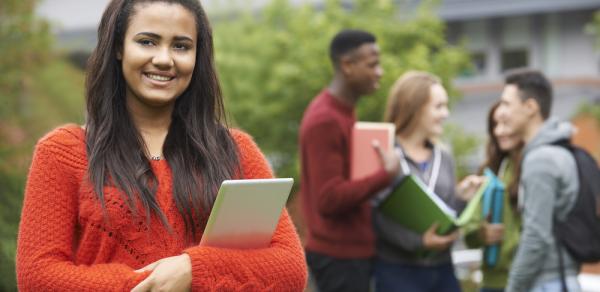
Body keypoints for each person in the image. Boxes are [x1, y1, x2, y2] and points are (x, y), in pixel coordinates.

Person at [16, 0, 307, 291]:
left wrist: (193, 268)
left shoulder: (235, 151)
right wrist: (156, 283)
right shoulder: (63, 152)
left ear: (197, 56)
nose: (165, 59)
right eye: (147, 42)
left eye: (181, 46)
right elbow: (38, 276)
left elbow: (290, 269)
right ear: (118, 47)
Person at [299, 29, 400, 292]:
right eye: (372, 64)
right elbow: (329, 198)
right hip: (339, 258)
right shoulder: (325, 119)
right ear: (347, 65)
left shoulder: (343, 112)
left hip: (352, 255)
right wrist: (384, 175)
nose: (380, 72)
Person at [372, 71, 482, 292]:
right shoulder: (384, 153)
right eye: (439, 106)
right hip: (398, 272)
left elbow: (446, 213)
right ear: (416, 107)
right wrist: (419, 242)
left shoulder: (445, 156)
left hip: (443, 271)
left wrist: (461, 198)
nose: (446, 113)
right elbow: (375, 217)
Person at [495, 69, 580, 291]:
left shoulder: (540, 160)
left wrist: (513, 287)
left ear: (530, 107)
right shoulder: (559, 150)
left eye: (506, 104)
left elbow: (536, 238)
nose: (500, 113)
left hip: (548, 283)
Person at [463, 102, 523, 292]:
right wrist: (481, 232)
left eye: (506, 123)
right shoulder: (490, 171)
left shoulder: (535, 166)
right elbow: (469, 233)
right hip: (491, 282)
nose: (499, 131)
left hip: (523, 279)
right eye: (495, 125)